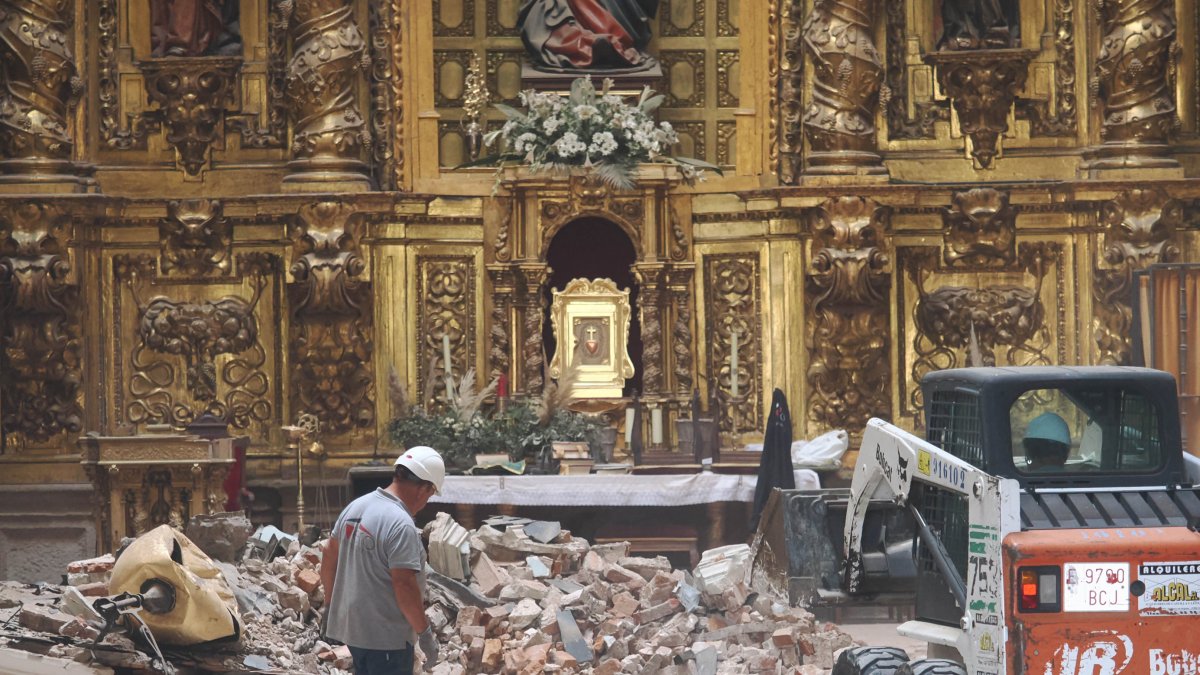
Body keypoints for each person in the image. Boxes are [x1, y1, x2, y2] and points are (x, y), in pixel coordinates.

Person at [321, 446, 446, 674]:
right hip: (387, 640)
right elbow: (404, 585)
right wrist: (424, 632)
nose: (426, 501)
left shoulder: (356, 507)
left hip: (354, 633)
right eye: (430, 494)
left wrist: (330, 605)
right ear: (423, 488)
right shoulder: (401, 524)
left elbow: (329, 555)